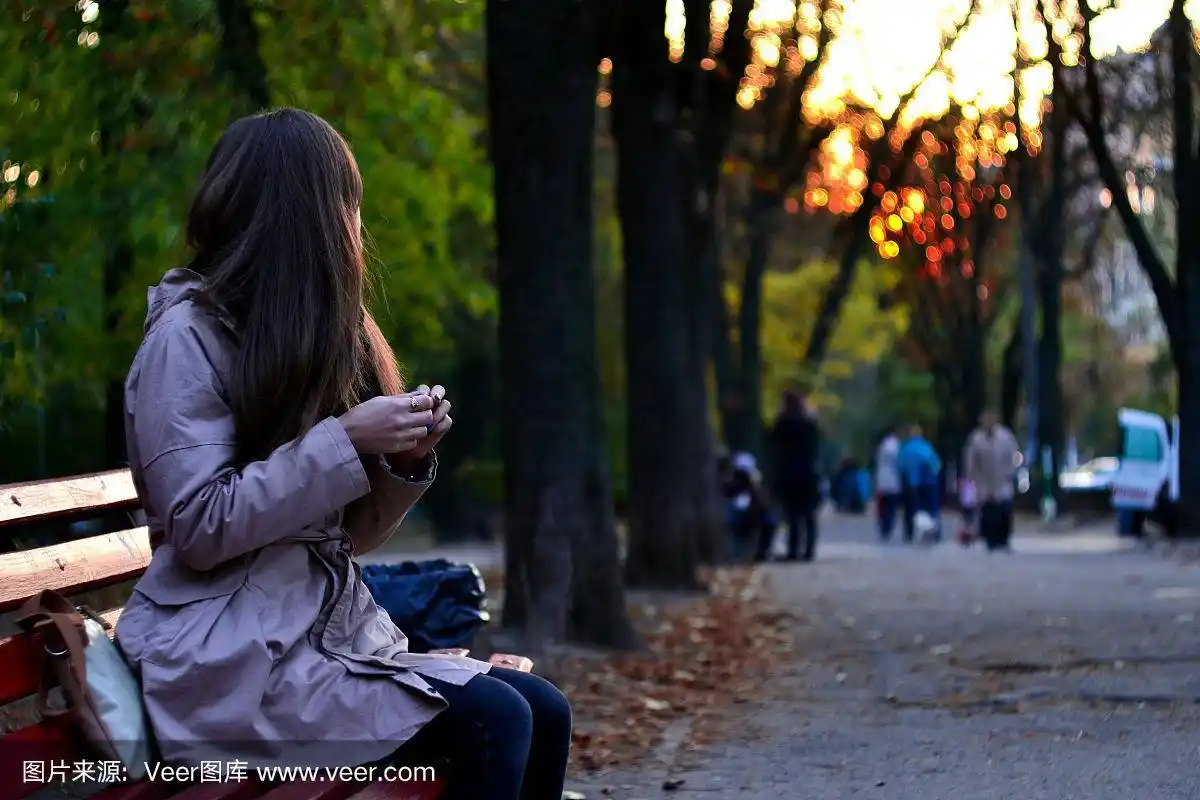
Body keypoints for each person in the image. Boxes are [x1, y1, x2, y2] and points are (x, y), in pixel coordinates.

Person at [112, 109, 571, 799]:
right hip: (226, 661)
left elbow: (344, 540)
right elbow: (203, 528)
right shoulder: (187, 339)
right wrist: (348, 439)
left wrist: (400, 463)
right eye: (346, 205)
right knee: (495, 719)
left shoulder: (294, 340)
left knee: (543, 708)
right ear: (304, 218)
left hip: (311, 643)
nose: (356, 229)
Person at [768, 389, 821, 561]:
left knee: (792, 514)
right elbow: (815, 447)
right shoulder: (809, 424)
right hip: (807, 472)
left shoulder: (782, 424)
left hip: (788, 471)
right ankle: (809, 550)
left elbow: (773, 445)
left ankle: (793, 549)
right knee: (808, 515)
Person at [965, 409, 1020, 552]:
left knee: (1005, 511)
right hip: (984, 481)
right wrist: (972, 478)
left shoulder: (1006, 437)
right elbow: (971, 460)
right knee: (988, 513)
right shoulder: (976, 438)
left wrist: (1012, 472)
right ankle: (991, 540)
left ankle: (1004, 539)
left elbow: (1013, 455)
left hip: (1003, 480)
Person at [896, 424, 942, 543]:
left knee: (911, 510)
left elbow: (900, 466)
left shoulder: (906, 448)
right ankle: (933, 532)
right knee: (931, 509)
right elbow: (936, 465)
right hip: (929, 484)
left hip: (912, 484)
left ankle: (910, 533)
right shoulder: (926, 446)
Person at [873, 427, 903, 541]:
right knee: (891, 508)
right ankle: (888, 527)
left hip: (882, 482)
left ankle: (883, 528)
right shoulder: (898, 447)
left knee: (882, 507)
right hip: (894, 482)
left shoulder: (881, 448)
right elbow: (900, 465)